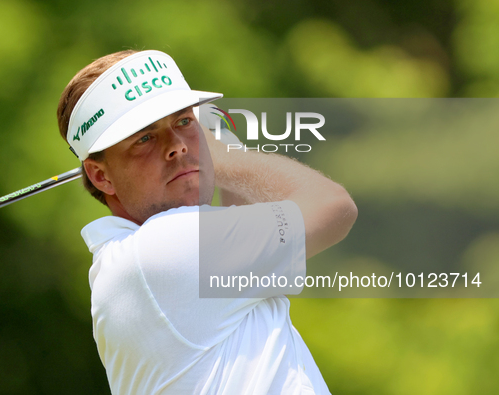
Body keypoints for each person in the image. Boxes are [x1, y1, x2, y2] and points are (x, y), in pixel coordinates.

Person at [56, 49, 357, 394]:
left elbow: (239, 220)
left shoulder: (134, 261)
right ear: (100, 176)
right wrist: (222, 153)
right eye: (144, 138)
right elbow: (333, 206)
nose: (177, 147)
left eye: (183, 122)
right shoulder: (163, 250)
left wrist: (216, 143)